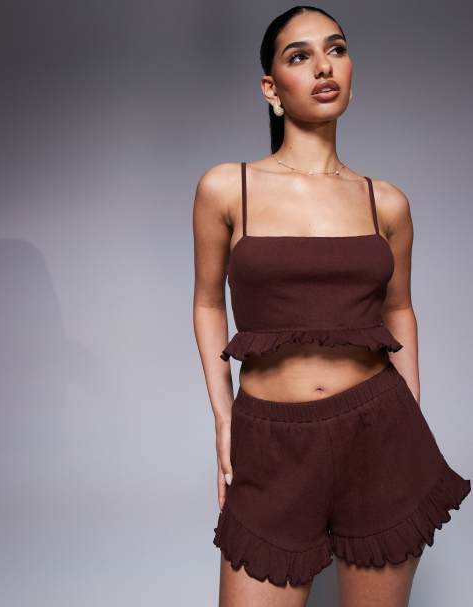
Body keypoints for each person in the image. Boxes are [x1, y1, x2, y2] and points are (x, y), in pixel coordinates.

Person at [192, 6, 471, 606]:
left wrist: (411, 411)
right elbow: (208, 303)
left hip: (380, 434)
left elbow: (399, 310)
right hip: (270, 441)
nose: (324, 66)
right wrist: (224, 418)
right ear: (271, 88)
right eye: (300, 56)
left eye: (336, 49)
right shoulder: (227, 187)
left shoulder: (385, 202)